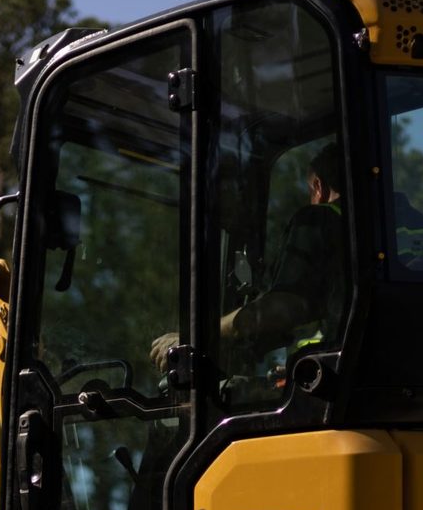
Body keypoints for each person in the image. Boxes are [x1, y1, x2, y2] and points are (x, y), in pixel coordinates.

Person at [149, 141, 349, 393]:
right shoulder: (401, 229)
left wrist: (198, 338)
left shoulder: (321, 218)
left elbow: (286, 307)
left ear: (318, 187)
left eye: (309, 190)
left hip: (339, 390)